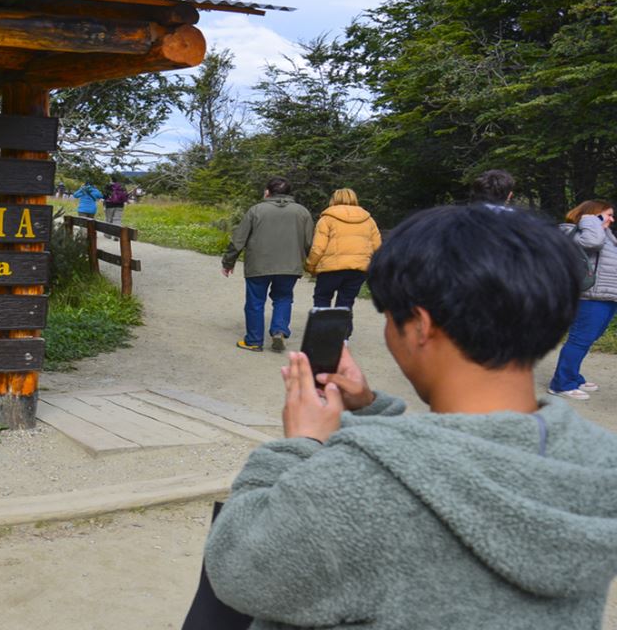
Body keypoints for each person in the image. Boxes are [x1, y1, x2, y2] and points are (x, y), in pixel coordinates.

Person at [202, 204, 617, 629]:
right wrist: (367, 409)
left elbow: (243, 571)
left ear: (420, 326)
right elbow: (464, 464)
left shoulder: (356, 481)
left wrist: (300, 446)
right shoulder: (600, 460)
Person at [221, 177, 314, 353]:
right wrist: (312, 265)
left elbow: (238, 240)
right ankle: (279, 331)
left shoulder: (256, 210)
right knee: (283, 298)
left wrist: (228, 262)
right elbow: (309, 242)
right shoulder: (302, 212)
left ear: (267, 192)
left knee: (255, 302)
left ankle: (254, 341)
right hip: (290, 266)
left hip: (258, 265)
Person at [548, 199, 616, 400]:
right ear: (594, 214)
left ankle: (573, 376)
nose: (612, 219)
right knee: (580, 339)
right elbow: (593, 243)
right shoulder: (576, 233)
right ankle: (561, 384)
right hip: (590, 296)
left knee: (587, 339)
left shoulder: (603, 234)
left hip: (606, 296)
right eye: (608, 214)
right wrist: (591, 220)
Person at [304, 188, 381, 333]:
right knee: (345, 303)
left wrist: (310, 266)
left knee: (322, 298)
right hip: (358, 269)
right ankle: (342, 338)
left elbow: (318, 248)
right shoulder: (369, 220)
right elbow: (377, 247)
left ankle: (322, 334)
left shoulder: (326, 219)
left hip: (330, 269)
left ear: (333, 199)